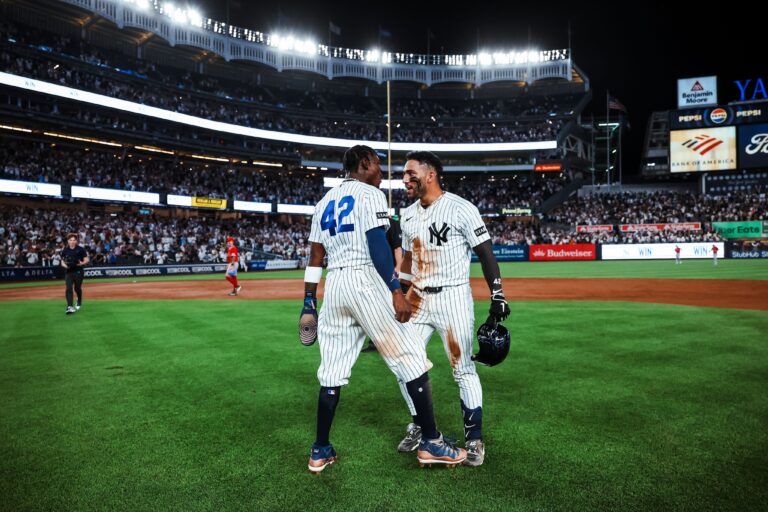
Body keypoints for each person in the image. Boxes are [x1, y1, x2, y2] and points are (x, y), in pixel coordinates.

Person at [300, 145, 466, 473]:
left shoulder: (322, 204)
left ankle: (320, 449)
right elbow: (377, 243)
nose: (380, 170)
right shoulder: (370, 194)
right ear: (364, 164)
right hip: (366, 280)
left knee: (331, 371)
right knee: (411, 358)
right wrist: (394, 290)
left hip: (335, 287)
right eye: (377, 163)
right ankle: (432, 442)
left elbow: (315, 259)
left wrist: (309, 301)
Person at [395, 151, 510, 467]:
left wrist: (497, 294)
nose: (405, 179)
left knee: (463, 370)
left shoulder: (461, 208)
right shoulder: (407, 215)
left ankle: (473, 439)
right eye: (403, 174)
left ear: (430, 174)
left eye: (410, 173)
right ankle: (422, 427)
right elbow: (406, 261)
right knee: (404, 365)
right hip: (417, 299)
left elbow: (485, 253)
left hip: (453, 298)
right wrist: (400, 295)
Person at [361, 216, 403, 353]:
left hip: (386, 270)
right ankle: (376, 341)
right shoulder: (366, 220)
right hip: (370, 271)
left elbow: (397, 247)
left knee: (388, 305)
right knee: (374, 306)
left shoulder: (391, 223)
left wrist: (398, 267)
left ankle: (392, 340)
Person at [61, 233, 89, 315]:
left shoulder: (80, 249)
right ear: (68, 241)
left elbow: (86, 260)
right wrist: (66, 266)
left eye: (74, 240)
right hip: (69, 272)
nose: (72, 242)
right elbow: (62, 261)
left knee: (77, 288)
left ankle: (79, 299)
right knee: (69, 288)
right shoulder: (65, 250)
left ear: (76, 241)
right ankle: (70, 306)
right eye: (70, 240)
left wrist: (81, 263)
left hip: (78, 271)